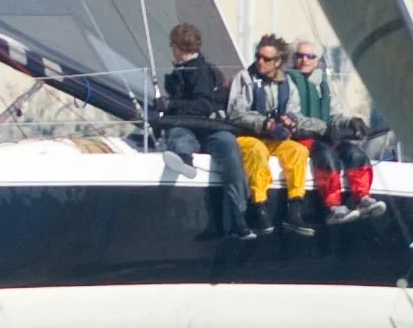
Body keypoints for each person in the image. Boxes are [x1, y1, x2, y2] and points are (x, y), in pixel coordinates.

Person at [157, 21, 252, 241]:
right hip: (199, 127)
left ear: (178, 47)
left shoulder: (198, 71)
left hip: (206, 126)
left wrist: (171, 107)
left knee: (220, 146)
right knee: (185, 137)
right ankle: (184, 160)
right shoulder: (185, 70)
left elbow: (204, 105)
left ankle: (238, 213)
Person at [283, 38, 384, 223]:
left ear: (316, 60)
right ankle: (334, 206)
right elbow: (292, 115)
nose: (304, 60)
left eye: (310, 56)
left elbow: (335, 113)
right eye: (300, 56)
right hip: (301, 136)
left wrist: (350, 122)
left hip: (326, 135)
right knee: (327, 156)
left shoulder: (324, 84)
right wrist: (324, 128)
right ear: (293, 59)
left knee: (355, 153)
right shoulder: (287, 83)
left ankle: (362, 197)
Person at [226, 35, 312, 232]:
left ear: (278, 62)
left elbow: (294, 110)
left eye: (266, 59)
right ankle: (258, 206)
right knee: (257, 151)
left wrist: (289, 121)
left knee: (298, 151)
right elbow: (236, 114)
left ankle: (295, 208)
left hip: (274, 139)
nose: (260, 62)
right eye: (258, 56)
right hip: (247, 136)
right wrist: (267, 124)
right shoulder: (245, 78)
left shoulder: (287, 84)